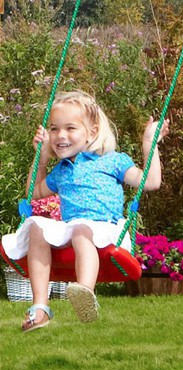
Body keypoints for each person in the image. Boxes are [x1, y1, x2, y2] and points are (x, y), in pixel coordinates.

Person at [1, 90, 170, 332]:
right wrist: (41, 157)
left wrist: (148, 144)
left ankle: (85, 293)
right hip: (72, 228)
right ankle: (40, 307)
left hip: (106, 229)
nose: (61, 136)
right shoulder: (62, 170)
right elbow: (33, 193)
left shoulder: (112, 161)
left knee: (81, 230)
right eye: (54, 129)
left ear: (91, 132)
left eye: (70, 128)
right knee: (37, 227)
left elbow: (150, 182)